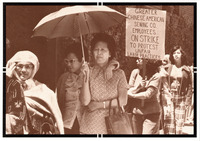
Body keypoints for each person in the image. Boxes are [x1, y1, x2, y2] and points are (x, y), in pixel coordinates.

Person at [6, 50, 64, 134]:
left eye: (28, 66)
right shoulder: (8, 86)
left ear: (34, 68)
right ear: (13, 67)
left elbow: (56, 120)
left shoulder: (44, 91)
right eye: (20, 66)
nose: (23, 70)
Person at [80, 33, 128, 134]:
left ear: (110, 53)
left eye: (103, 50)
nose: (99, 53)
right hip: (90, 126)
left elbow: (123, 101)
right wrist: (85, 77)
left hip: (113, 126)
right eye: (96, 49)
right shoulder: (89, 71)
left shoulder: (119, 74)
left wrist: (100, 105)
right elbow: (85, 101)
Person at [56, 43, 88, 134]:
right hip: (67, 124)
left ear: (82, 60)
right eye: (66, 61)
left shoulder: (90, 76)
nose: (69, 64)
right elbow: (58, 101)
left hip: (85, 124)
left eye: (72, 61)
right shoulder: (64, 78)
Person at [162, 46, 192, 134]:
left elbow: (190, 85)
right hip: (169, 97)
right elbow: (162, 80)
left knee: (179, 121)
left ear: (182, 54)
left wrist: (188, 100)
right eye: (174, 53)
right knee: (169, 122)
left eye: (178, 53)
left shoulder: (187, 69)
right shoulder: (167, 68)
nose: (176, 55)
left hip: (181, 97)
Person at [128, 59, 162, 134]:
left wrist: (133, 95)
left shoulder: (156, 76)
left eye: (140, 59)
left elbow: (148, 94)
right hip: (137, 113)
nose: (136, 61)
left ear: (147, 60)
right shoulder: (135, 72)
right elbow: (129, 90)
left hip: (151, 114)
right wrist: (138, 87)